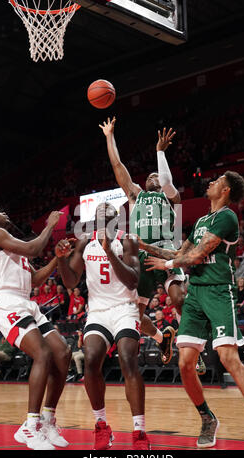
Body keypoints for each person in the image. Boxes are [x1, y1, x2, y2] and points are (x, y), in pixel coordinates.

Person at [140, 171, 244, 450]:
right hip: (195, 295)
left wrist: (168, 265)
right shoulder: (202, 220)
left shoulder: (226, 217)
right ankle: (207, 418)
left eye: (216, 181)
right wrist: (146, 248)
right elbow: (181, 251)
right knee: (185, 364)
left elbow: (197, 255)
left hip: (218, 290)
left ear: (225, 190)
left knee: (229, 358)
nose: (210, 183)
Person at [56, 202, 150, 450]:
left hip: (124, 308)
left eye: (108, 213)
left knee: (128, 358)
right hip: (98, 310)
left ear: (116, 219)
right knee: (91, 358)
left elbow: (133, 282)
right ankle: (101, 426)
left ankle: (139, 431)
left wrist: (109, 252)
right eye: (99, 213)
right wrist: (61, 261)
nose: (103, 214)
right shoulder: (85, 242)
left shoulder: (127, 240)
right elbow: (71, 281)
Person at [0, 206, 71, 450]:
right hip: (8, 303)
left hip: (27, 303)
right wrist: (50, 225)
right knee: (43, 353)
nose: (3, 212)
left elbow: (36, 279)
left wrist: (57, 258)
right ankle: (30, 428)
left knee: (62, 353)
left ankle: (47, 421)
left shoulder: (9, 242)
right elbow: (33, 248)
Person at [99, 117, 186, 364]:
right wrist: (109, 136)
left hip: (166, 252)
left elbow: (168, 184)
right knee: (135, 316)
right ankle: (162, 338)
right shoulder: (136, 195)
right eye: (149, 175)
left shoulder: (172, 198)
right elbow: (117, 165)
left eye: (156, 176)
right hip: (142, 258)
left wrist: (160, 153)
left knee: (179, 299)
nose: (151, 176)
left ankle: (193, 349)